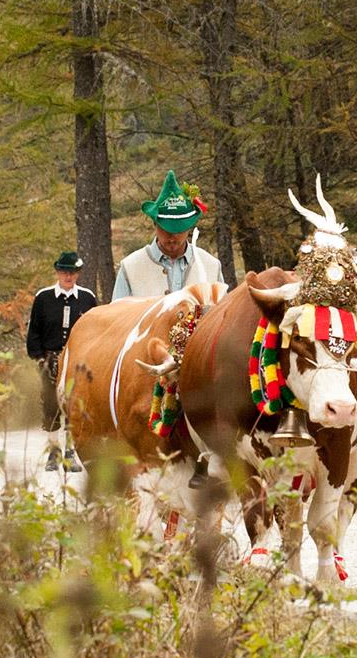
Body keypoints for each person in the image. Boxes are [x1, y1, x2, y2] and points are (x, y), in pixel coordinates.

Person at [26, 252, 96, 471]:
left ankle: (70, 453)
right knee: (51, 406)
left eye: (73, 272)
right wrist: (38, 358)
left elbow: (95, 330)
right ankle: (53, 453)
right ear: (57, 272)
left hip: (78, 359)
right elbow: (34, 331)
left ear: (78, 273)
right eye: (65, 272)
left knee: (74, 405)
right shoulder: (44, 297)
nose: (69, 276)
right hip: (49, 358)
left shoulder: (87, 298)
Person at [110, 171, 227, 300]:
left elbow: (222, 316)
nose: (172, 237)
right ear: (155, 225)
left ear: (189, 228)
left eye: (179, 231)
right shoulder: (130, 268)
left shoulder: (211, 266)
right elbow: (116, 317)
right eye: (166, 230)